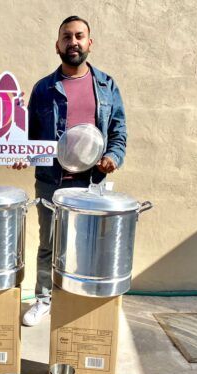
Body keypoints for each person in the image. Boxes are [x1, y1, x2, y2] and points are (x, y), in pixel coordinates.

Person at [21, 16, 127, 326]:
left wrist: (113, 156)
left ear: (89, 43)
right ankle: (44, 299)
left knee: (90, 245)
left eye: (79, 36)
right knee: (48, 244)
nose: (73, 42)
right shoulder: (43, 88)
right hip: (51, 182)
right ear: (57, 45)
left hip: (92, 183)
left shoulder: (107, 86)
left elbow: (118, 131)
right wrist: (21, 153)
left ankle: (81, 301)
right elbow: (28, 135)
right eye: (66, 37)